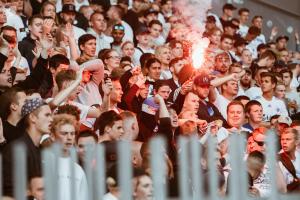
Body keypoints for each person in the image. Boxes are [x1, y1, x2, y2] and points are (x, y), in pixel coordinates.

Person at [2, 97, 53, 197]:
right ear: (33, 117)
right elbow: (8, 191)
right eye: (47, 115)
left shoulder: (39, 150)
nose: (51, 119)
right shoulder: (16, 150)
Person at [50, 113, 88, 200]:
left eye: (72, 133)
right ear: (52, 136)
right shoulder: (42, 163)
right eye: (64, 133)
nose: (69, 137)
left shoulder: (78, 169)